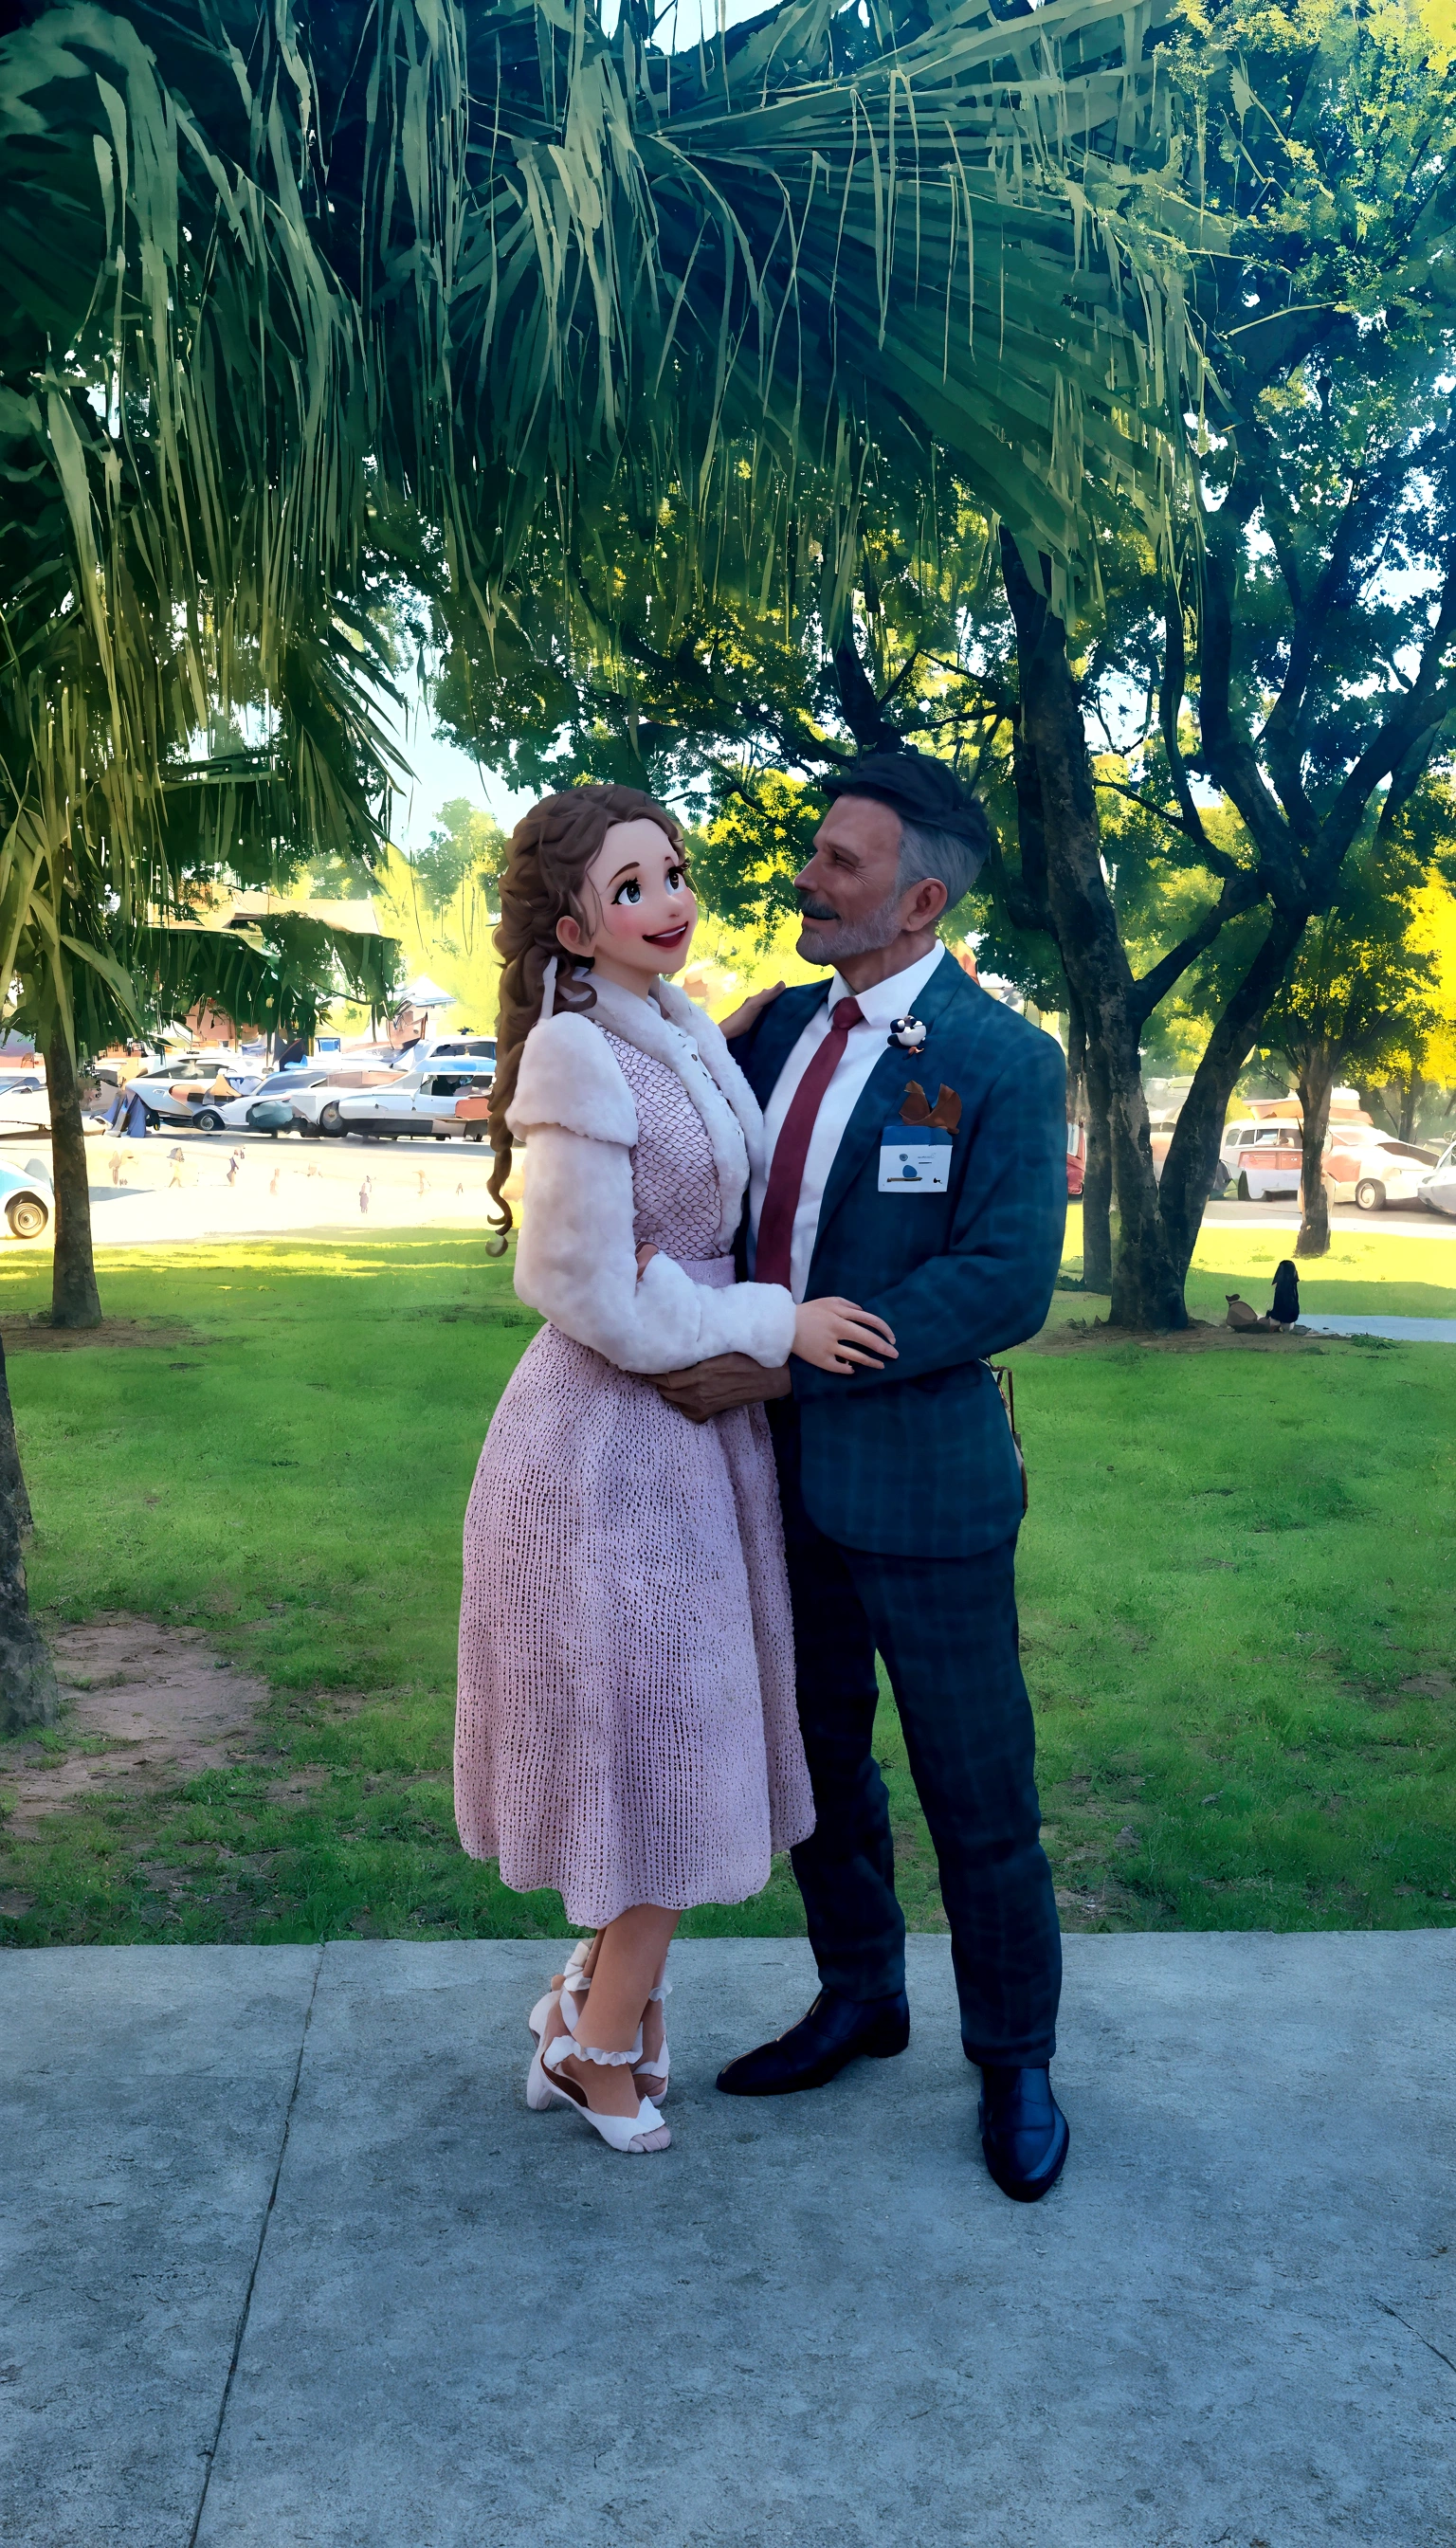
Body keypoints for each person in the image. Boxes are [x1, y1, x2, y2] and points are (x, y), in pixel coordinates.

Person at [651, 751, 1071, 2203]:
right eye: (817, 853)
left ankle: (1013, 2056)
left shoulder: (1006, 1062)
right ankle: (859, 1996)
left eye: (840, 862)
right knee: (817, 1766)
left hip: (928, 1493)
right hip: (767, 1487)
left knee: (978, 1789)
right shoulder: (767, 1038)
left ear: (922, 899)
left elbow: (1004, 1283)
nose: (806, 880)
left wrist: (787, 1363)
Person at [453, 783, 891, 2157]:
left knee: (668, 1744)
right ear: (574, 926)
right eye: (633, 889)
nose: (673, 904)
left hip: (689, 1442)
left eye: (676, 874)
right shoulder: (580, 1056)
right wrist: (782, 1326)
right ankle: (596, 2041)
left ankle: (595, 2005)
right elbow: (582, 1285)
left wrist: (740, 1029)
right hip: (607, 1448)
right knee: (660, 1753)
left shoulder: (673, 1026)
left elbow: (704, 1175)